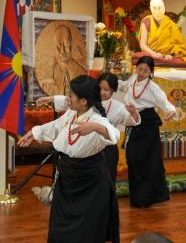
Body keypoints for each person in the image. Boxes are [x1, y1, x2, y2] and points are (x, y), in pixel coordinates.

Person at [18, 75, 120, 243]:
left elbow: (114, 134)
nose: (68, 98)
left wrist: (94, 127)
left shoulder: (97, 119)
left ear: (84, 101)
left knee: (86, 230)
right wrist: (34, 132)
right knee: (60, 226)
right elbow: (55, 126)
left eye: (71, 95)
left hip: (89, 182)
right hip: (68, 178)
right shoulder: (72, 114)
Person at [37, 72, 141, 185]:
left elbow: (130, 121)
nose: (102, 92)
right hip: (88, 149)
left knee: (106, 181)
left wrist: (134, 113)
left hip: (107, 148)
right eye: (100, 88)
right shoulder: (88, 100)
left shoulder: (118, 107)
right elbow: (70, 99)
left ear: (113, 90)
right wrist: (51, 99)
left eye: (106, 90)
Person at [118, 56, 177, 208]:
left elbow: (164, 102)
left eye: (146, 70)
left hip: (147, 124)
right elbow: (124, 86)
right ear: (135, 68)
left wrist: (171, 111)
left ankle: (145, 198)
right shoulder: (132, 79)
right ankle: (137, 196)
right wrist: (110, 83)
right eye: (140, 69)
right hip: (133, 120)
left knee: (147, 161)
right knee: (132, 158)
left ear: (151, 72)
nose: (142, 73)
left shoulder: (153, 87)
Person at [134, 0, 186, 67]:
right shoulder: (147, 21)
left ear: (164, 9)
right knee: (136, 59)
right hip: (150, 54)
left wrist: (171, 55)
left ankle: (159, 61)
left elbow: (179, 44)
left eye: (160, 8)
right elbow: (143, 45)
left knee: (182, 62)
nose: (157, 11)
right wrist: (154, 54)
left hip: (167, 56)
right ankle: (159, 61)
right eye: (154, 8)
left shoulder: (170, 24)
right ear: (151, 10)